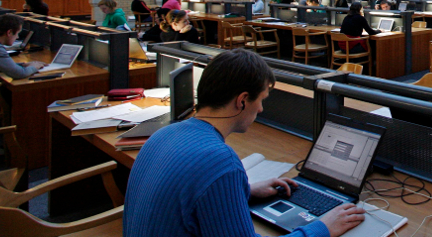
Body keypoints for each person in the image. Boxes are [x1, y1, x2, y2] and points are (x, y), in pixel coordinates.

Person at [123, 48, 364, 237]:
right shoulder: (220, 161)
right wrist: (322, 228)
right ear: (242, 101)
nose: (260, 109)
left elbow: (187, 202)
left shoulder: (164, 134)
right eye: (261, 100)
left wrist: (243, 192)